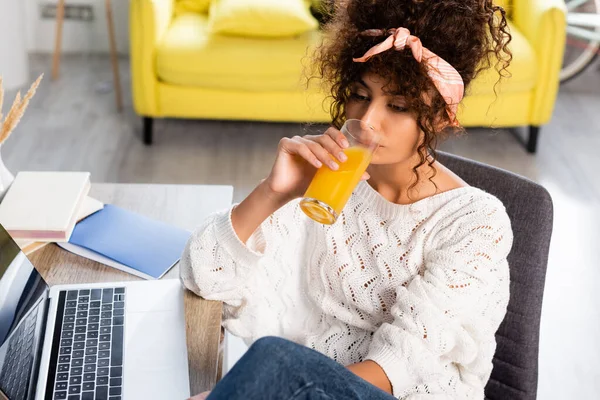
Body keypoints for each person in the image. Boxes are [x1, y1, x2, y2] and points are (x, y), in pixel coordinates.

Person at [182, 0, 514, 398]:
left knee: (268, 362)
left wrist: (274, 389)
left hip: (398, 391)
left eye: (398, 106)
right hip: (310, 383)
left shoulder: (476, 222)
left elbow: (399, 365)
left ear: (441, 117)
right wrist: (274, 193)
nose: (370, 120)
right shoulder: (332, 183)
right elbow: (202, 273)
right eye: (360, 95)